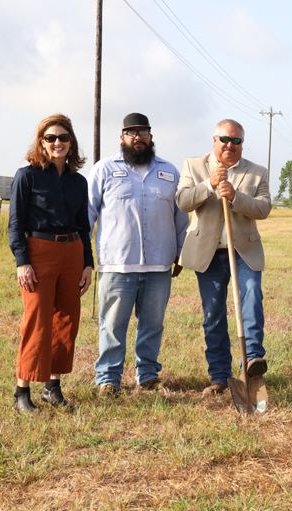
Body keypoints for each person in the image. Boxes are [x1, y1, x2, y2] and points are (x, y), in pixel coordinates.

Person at [87, 113, 189, 397]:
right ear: (122, 138)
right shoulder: (104, 170)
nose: (138, 137)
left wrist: (181, 253)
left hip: (158, 265)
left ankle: (148, 376)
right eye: (131, 132)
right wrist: (83, 255)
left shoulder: (169, 172)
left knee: (152, 325)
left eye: (143, 132)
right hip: (117, 264)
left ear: (151, 137)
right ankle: (108, 379)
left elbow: (181, 218)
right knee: (112, 324)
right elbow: (87, 214)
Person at [176, 119, 271, 395]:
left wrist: (236, 197)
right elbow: (183, 201)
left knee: (251, 295)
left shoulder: (257, 172)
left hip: (243, 251)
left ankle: (252, 360)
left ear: (242, 143)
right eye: (225, 139)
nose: (230, 145)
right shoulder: (194, 165)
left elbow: (263, 208)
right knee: (213, 313)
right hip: (208, 253)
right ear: (214, 140)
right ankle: (219, 376)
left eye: (236, 141)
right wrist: (210, 184)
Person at [8, 113, 93, 413]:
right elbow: (15, 224)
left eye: (63, 137)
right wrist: (22, 262)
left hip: (73, 252)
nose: (58, 142)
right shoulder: (27, 176)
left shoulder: (79, 182)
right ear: (41, 143)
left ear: (71, 143)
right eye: (51, 138)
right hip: (39, 252)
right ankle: (22, 392)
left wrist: (87, 263)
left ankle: (52, 387)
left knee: (66, 320)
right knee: (37, 320)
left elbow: (84, 225)